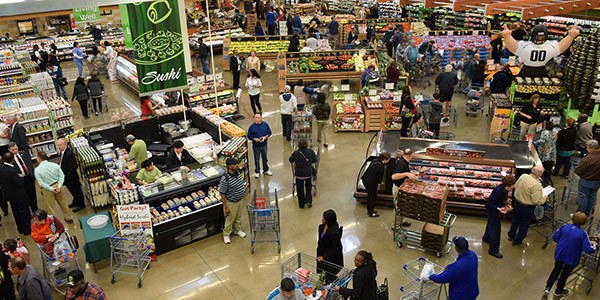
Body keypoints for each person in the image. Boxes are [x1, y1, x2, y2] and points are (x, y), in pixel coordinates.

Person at [543, 212, 597, 297]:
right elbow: (587, 249)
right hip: (572, 258)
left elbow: (555, 237)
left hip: (560, 254)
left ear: (572, 218)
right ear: (584, 223)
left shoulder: (564, 227)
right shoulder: (583, 234)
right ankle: (558, 290)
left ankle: (547, 287)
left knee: (556, 270)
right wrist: (594, 245)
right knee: (564, 274)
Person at [502, 23, 578, 77]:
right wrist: (571, 36)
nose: (539, 40)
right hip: (541, 71)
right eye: (538, 37)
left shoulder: (525, 46)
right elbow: (561, 47)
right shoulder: (550, 46)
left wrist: (507, 36)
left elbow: (513, 47)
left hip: (526, 71)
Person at [508, 165, 546, 247]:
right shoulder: (536, 185)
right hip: (527, 207)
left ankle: (511, 235)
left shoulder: (523, 176)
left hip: (517, 203)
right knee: (524, 225)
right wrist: (544, 198)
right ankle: (518, 241)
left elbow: (515, 186)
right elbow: (537, 201)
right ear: (540, 174)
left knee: (515, 220)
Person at [483, 175, 516, 258]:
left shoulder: (504, 189)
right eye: (512, 186)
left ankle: (486, 237)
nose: (513, 187)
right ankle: (493, 250)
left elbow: (500, 199)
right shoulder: (497, 191)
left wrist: (505, 201)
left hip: (495, 210)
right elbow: (488, 204)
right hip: (492, 210)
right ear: (507, 186)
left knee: (490, 223)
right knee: (496, 230)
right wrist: (498, 209)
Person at [35, 151, 74, 222]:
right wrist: (59, 186)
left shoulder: (37, 170)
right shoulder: (55, 165)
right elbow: (62, 176)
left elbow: (41, 183)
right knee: (63, 203)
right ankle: (69, 217)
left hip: (47, 189)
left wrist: (51, 188)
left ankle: (54, 222)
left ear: (39, 158)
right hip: (58, 186)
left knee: (50, 207)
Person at [0, 152, 31, 235]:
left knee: (16, 213)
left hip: (10, 196)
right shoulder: (13, 171)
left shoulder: (1, 169)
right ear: (12, 160)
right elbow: (19, 183)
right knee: (24, 212)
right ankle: (27, 230)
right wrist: (20, 178)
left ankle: (20, 229)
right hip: (19, 195)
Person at [219, 158, 246, 244]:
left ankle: (237, 230)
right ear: (229, 166)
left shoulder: (238, 173)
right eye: (235, 164)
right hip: (231, 202)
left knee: (238, 217)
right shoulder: (225, 179)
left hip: (240, 199)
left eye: (237, 164)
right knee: (230, 219)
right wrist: (226, 207)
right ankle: (226, 234)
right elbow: (222, 193)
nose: (237, 165)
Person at [56, 138, 85, 212]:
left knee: (77, 191)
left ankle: (81, 205)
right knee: (72, 191)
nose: (58, 147)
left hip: (72, 178)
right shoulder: (63, 152)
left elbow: (74, 166)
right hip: (68, 177)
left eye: (60, 145)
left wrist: (67, 176)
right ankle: (75, 202)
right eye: (57, 145)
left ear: (65, 144)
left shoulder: (69, 153)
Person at [8, 142, 37, 212]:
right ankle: (27, 210)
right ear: (9, 150)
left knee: (32, 194)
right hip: (20, 180)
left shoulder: (23, 153)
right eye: (13, 150)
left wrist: (32, 174)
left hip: (28, 177)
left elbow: (29, 164)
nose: (15, 151)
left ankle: (35, 208)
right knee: (25, 196)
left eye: (16, 149)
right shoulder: (10, 159)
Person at [316, 209, 343, 283]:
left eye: (324, 218)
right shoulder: (322, 227)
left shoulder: (334, 233)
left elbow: (338, 248)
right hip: (322, 255)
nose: (322, 219)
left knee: (329, 275)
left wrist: (324, 256)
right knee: (324, 272)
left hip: (331, 259)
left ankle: (332, 284)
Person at [391, 149, 417, 227]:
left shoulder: (404, 161)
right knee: (398, 208)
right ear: (410, 155)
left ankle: (402, 221)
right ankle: (395, 226)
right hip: (398, 189)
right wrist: (406, 174)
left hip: (402, 188)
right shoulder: (401, 164)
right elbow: (394, 177)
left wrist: (410, 173)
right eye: (412, 156)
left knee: (403, 206)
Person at [361, 152, 391, 218]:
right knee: (372, 197)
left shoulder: (375, 161)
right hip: (371, 183)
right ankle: (371, 213)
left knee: (370, 196)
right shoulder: (381, 168)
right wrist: (378, 187)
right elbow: (379, 180)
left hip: (365, 179)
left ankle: (369, 210)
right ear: (385, 160)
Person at [574, 139, 600, 215]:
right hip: (597, 182)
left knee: (583, 198)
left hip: (586, 181)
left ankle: (580, 214)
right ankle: (587, 213)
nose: (586, 149)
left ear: (593, 148)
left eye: (588, 148)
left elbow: (578, 171)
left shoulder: (588, 159)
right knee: (592, 197)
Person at [288, 139, 317, 208]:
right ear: (306, 145)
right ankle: (309, 201)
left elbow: (290, 160)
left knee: (300, 189)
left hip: (299, 174)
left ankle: (301, 204)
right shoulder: (311, 151)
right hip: (308, 174)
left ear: (298, 146)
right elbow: (315, 160)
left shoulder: (296, 153)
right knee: (308, 187)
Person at [247, 114, 272, 178]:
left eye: (258, 117)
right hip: (256, 146)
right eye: (255, 117)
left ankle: (266, 170)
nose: (257, 119)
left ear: (261, 118)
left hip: (264, 145)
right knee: (257, 159)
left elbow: (269, 133)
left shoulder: (265, 125)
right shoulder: (251, 127)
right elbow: (249, 136)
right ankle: (257, 171)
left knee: (265, 158)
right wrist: (254, 139)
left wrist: (265, 137)